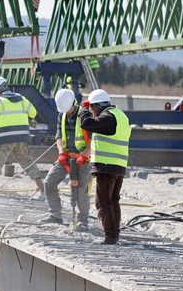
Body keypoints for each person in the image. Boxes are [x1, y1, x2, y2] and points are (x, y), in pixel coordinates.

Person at [0, 76, 45, 196]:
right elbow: (33, 113)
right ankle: (41, 188)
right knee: (27, 160)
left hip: (4, 137)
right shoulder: (22, 98)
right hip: (22, 136)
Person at [78, 89, 130, 245]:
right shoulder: (120, 115)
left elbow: (86, 124)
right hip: (118, 165)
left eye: (93, 108)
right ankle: (114, 235)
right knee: (113, 200)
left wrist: (83, 110)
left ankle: (110, 236)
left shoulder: (108, 117)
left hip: (107, 166)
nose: (92, 112)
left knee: (103, 201)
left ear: (98, 105)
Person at [41, 89, 92, 230]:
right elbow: (59, 136)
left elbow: (92, 139)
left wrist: (85, 155)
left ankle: (83, 221)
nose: (67, 112)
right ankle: (55, 216)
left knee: (81, 191)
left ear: (73, 103)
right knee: (49, 182)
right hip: (67, 157)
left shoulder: (85, 115)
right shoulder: (62, 115)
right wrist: (61, 152)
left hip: (82, 159)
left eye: (69, 109)